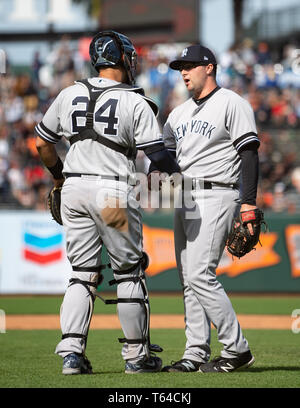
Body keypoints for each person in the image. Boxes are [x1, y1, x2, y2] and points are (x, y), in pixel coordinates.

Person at [35, 30, 180, 375]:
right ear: (121, 59)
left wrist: (58, 178)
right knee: (129, 273)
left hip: (73, 189)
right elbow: (157, 156)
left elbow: (42, 144)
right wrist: (184, 176)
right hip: (112, 191)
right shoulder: (134, 100)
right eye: (130, 57)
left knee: (82, 275)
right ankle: (136, 357)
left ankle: (71, 355)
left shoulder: (68, 93)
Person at [155, 44, 260, 373]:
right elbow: (163, 158)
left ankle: (237, 348)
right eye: (180, 67)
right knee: (188, 278)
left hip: (218, 193)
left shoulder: (232, 103)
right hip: (184, 195)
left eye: (189, 65)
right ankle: (195, 352)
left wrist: (249, 202)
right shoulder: (177, 114)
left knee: (200, 274)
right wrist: (155, 173)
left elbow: (249, 153)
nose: (183, 72)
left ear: (209, 68)